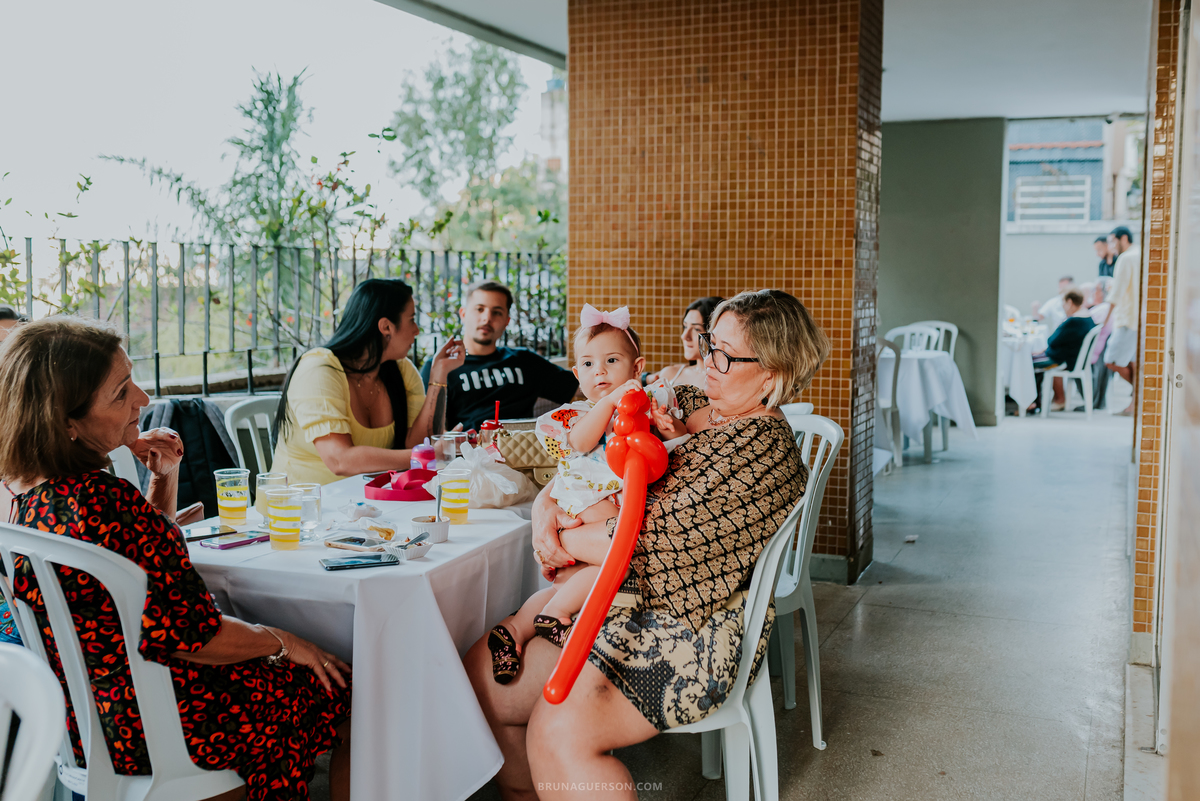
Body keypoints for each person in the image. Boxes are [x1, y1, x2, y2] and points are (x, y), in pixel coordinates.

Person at [463, 289, 829, 800]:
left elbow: (647, 544)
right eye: (708, 343)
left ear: (771, 374)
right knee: (479, 682)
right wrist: (547, 502)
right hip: (618, 598)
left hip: (684, 628)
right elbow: (595, 465)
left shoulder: (760, 450)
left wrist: (559, 536)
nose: (706, 361)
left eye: (724, 353)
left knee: (560, 730)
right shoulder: (701, 407)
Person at [0, 317, 352, 801]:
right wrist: (287, 641)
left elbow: (130, 572)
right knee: (341, 681)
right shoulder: (104, 501)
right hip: (167, 727)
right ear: (67, 422)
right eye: (121, 391)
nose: (143, 399)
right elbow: (194, 634)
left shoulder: (32, 500)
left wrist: (163, 478)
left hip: (91, 725)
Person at [487, 307, 682, 685]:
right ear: (577, 374)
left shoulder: (650, 401)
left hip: (620, 501)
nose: (601, 372)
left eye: (612, 361)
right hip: (585, 500)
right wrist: (609, 404)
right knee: (622, 555)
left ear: (636, 366)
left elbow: (669, 453)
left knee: (585, 573)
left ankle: (514, 629)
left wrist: (670, 429)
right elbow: (580, 442)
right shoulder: (577, 414)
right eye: (589, 364)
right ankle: (555, 615)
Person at [271, 278, 464, 484]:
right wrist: (428, 455)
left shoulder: (400, 369)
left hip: (367, 504)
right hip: (298, 506)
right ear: (386, 327)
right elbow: (340, 460)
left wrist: (438, 375)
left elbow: (417, 443)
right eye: (411, 319)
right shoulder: (319, 370)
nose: (417, 330)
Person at [420, 281, 579, 431]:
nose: (487, 318)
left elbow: (581, 388)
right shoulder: (441, 367)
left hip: (522, 451)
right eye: (479, 309)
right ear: (463, 314)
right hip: (470, 453)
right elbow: (430, 430)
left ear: (506, 321)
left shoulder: (524, 361)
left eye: (497, 312)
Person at [1031, 290, 1095, 412]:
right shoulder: (1087, 317)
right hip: (1072, 357)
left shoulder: (1073, 321)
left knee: (1028, 362)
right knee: (1036, 358)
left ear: (1070, 302)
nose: (1063, 308)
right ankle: (1045, 400)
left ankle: (1032, 403)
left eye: (1064, 305)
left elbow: (1052, 340)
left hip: (1064, 359)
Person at [646, 296, 724, 389]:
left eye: (696, 329)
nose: (684, 336)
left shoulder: (724, 380)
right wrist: (645, 378)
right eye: (685, 327)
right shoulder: (670, 373)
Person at [1103, 226, 1141, 416]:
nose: (1111, 246)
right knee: (1134, 363)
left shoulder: (1126, 258)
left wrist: (1104, 322)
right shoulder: (1141, 253)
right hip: (1140, 319)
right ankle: (1136, 404)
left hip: (1128, 319)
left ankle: (1140, 395)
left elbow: (1116, 293)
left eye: (1112, 241)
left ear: (1123, 238)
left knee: (1112, 360)